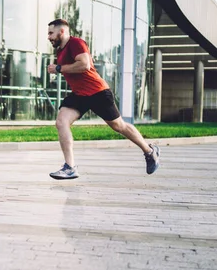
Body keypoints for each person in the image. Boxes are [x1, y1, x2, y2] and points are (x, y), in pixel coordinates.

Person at [46, 18, 159, 180]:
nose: (49, 37)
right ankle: (70, 167)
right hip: (79, 95)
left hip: (97, 92)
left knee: (119, 126)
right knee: (61, 122)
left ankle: (149, 151)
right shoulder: (60, 51)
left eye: (51, 33)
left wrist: (58, 68)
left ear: (62, 31)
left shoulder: (76, 43)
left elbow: (84, 65)